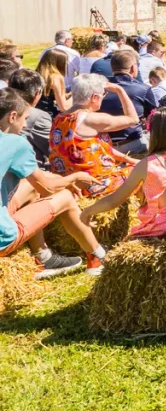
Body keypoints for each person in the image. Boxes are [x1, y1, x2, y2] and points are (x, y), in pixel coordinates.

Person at [0, 89, 107, 277]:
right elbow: (47, 188)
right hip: (2, 239)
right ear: (12, 116)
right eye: (24, 118)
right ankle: (97, 256)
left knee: (31, 186)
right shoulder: (15, 143)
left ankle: (43, 256)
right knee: (65, 197)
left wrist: (59, 180)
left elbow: (38, 182)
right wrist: (73, 178)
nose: (25, 125)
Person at [81, 107, 166, 238]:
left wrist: (87, 212)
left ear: (155, 135)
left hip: (158, 228)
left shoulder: (148, 164)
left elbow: (114, 200)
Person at [49, 74, 138, 197]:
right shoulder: (91, 119)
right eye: (103, 95)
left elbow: (94, 147)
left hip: (68, 182)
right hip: (94, 185)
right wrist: (120, 90)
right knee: (143, 170)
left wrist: (128, 159)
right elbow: (133, 119)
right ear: (94, 98)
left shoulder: (59, 118)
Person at [98, 50, 159, 156]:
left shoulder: (99, 87)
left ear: (112, 68)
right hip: (133, 145)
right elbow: (154, 116)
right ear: (133, 68)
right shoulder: (143, 89)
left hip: (103, 145)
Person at [7, 69, 52, 168]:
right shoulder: (38, 116)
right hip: (29, 171)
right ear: (37, 93)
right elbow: (53, 150)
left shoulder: (5, 108)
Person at [36, 49, 70, 118]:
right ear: (61, 64)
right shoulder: (56, 78)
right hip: (50, 116)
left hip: (35, 113)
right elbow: (63, 107)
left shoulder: (36, 75)